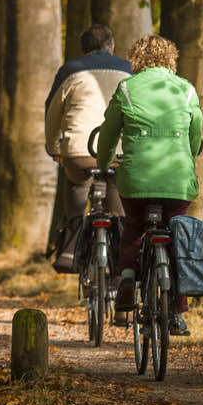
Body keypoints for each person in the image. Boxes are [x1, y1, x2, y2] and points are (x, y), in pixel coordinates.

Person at [92, 33, 203, 335]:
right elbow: (195, 136)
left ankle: (128, 276)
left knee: (134, 226)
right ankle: (177, 312)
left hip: (136, 178)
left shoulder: (127, 89)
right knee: (177, 235)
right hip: (177, 179)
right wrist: (188, 156)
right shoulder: (185, 90)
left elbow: (108, 133)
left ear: (137, 58)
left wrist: (103, 163)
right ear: (171, 58)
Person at [42, 25, 133, 255]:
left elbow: (52, 112)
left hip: (79, 152)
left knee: (77, 186)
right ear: (112, 46)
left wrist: (54, 148)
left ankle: (70, 248)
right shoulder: (129, 70)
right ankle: (123, 256)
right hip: (119, 152)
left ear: (83, 49)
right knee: (118, 199)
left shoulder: (69, 71)